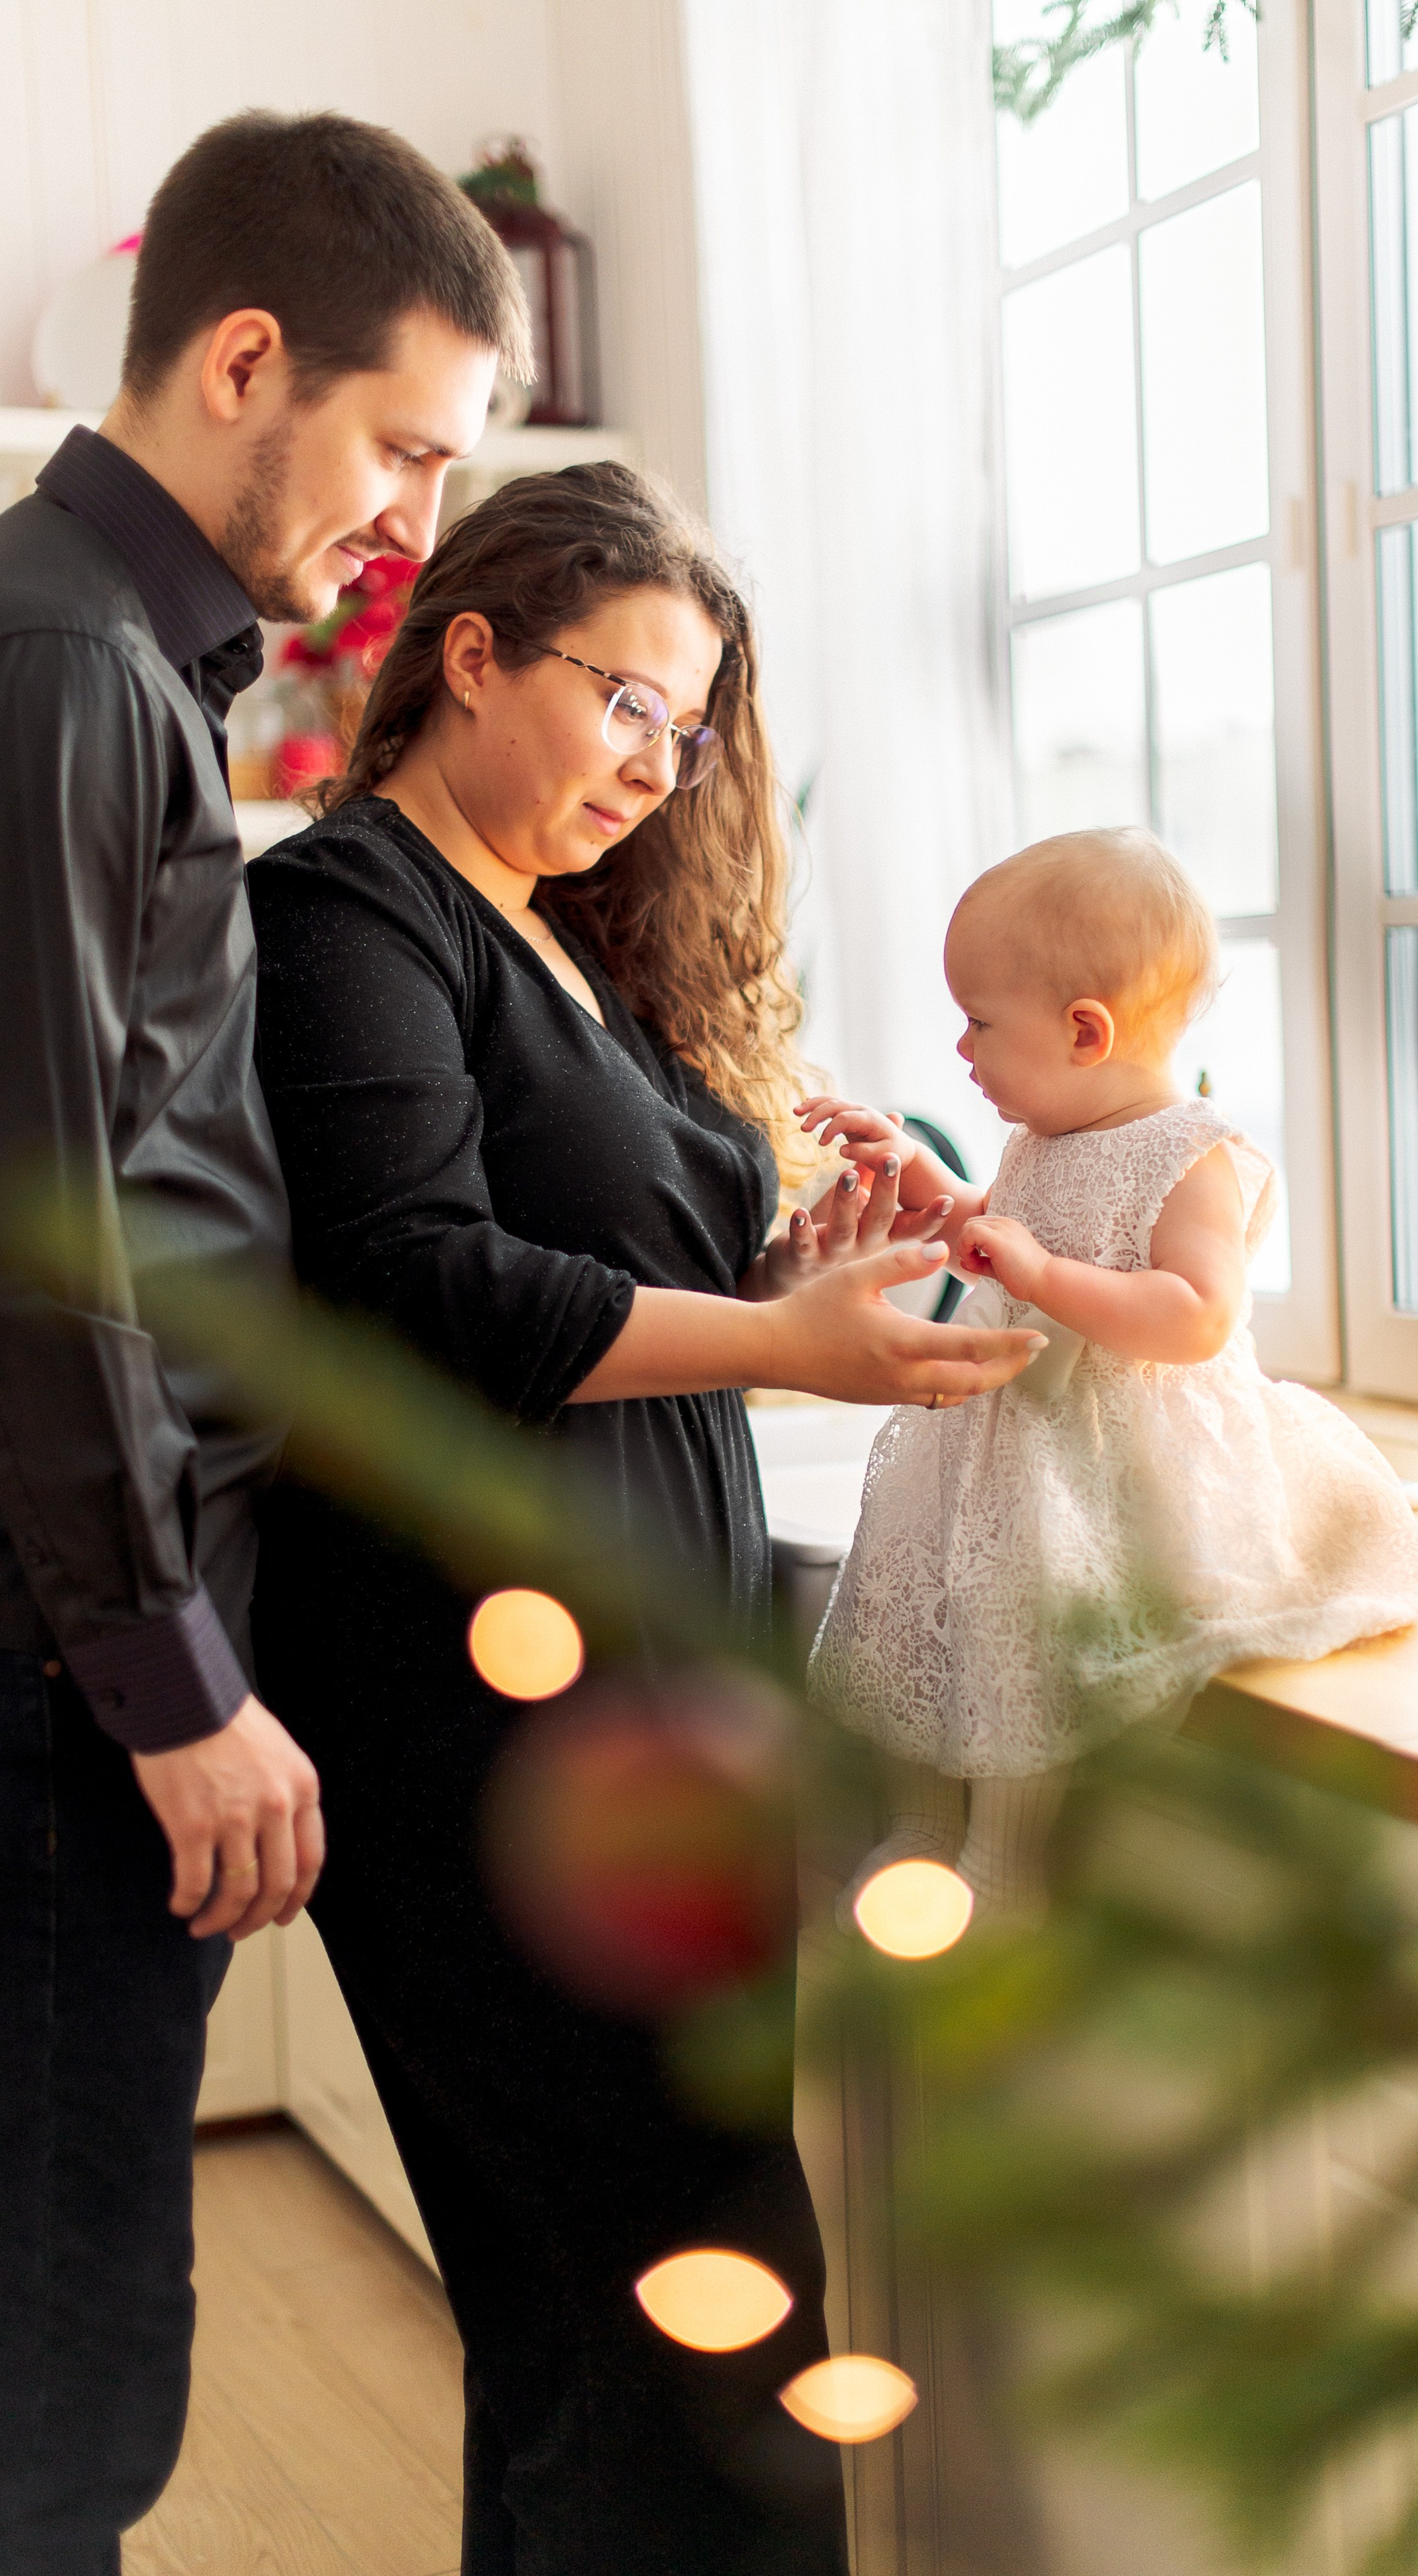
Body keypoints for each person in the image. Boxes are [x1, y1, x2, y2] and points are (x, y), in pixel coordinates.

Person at [245, 460, 1040, 2575]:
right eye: (624, 701)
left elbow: (611, 1287)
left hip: (645, 1706)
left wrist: (788, 1276)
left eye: (686, 730)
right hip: (484, 1726)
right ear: (471, 652)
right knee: (679, 2326)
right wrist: (784, 1348)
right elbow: (420, 1287)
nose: (657, 765)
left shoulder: (565, 939)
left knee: (616, 2333)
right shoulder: (341, 917)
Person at [0, 110, 531, 2575]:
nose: (416, 523)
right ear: (242, 362)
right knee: (59, 2399)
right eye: (403, 447)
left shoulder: (122, 668)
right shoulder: (65, 673)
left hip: (81, 1665)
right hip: (57, 1694)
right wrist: (169, 1680)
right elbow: (44, 1237)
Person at [807, 829, 1418, 1926]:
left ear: (1085, 1031)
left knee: (1022, 1637)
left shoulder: (1191, 1153)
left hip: (1107, 1453)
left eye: (980, 1023)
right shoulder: (1046, 1134)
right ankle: (921, 1826)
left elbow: (1198, 1315)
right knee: (914, 1607)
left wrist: (1044, 1274)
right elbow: (999, 1232)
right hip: (999, 1439)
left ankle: (1003, 1859)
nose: (961, 1047)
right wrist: (925, 1177)